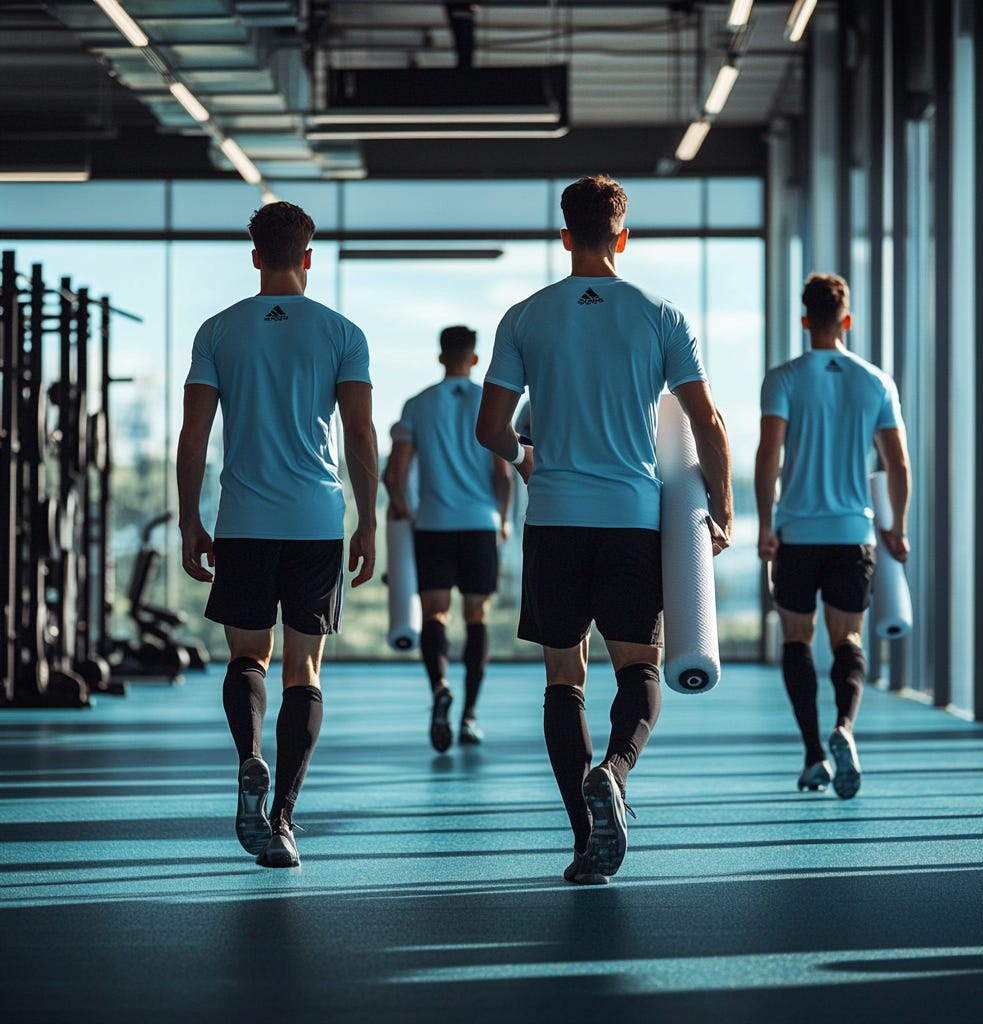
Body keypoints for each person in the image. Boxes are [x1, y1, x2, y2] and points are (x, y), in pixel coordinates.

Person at [476, 175, 733, 885]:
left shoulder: (525, 316)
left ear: (565, 236)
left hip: (556, 519)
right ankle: (614, 771)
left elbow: (490, 429)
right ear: (622, 236)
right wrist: (726, 508)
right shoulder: (660, 315)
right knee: (639, 669)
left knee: (565, 678)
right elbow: (706, 422)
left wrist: (531, 462)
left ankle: (586, 841)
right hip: (630, 519)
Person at [176, 201, 378, 868]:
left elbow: (195, 437)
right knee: (304, 670)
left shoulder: (218, 331)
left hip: (244, 521)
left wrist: (189, 520)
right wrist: (368, 519)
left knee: (246, 659)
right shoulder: (344, 333)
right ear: (309, 257)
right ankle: (284, 821)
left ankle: (250, 759)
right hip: (317, 521)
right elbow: (359, 435)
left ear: (256, 255)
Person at [755, 272, 911, 800]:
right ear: (847, 319)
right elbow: (898, 465)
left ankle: (813, 756)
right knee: (848, 638)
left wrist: (764, 524)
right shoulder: (875, 381)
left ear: (805, 320)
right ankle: (844, 726)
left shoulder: (783, 379)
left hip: (797, 532)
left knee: (797, 639)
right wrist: (896, 528)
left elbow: (768, 456)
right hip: (853, 534)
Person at [383, 326, 512, 752]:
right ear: (473, 359)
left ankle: (439, 686)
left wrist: (400, 504)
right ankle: (470, 717)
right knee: (477, 616)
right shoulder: (487, 403)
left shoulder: (418, 404)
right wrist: (504, 520)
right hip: (480, 524)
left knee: (435, 615)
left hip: (433, 524)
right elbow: (502, 473)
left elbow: (395, 470)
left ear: (441, 357)